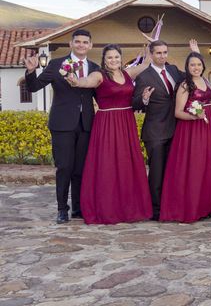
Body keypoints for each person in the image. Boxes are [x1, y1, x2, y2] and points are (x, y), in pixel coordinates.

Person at [66, 44, 153, 224]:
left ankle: (128, 208)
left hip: (126, 123)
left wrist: (152, 43)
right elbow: (86, 81)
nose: (114, 60)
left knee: (126, 163)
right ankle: (107, 208)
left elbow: (146, 63)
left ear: (121, 58)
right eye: (109, 58)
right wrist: (76, 81)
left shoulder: (128, 73)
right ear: (104, 60)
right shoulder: (99, 75)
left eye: (116, 57)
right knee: (107, 165)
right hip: (107, 124)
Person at [24, 29, 100, 224]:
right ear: (71, 44)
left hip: (86, 124)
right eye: (78, 42)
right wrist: (31, 72)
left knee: (80, 169)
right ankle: (61, 209)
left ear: (90, 45)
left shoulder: (94, 68)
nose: (81, 45)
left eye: (85, 42)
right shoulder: (56, 64)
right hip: (62, 124)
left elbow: (102, 95)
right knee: (64, 167)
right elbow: (34, 87)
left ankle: (78, 208)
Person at [159, 52, 211, 223]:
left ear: (203, 66)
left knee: (207, 165)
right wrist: (195, 116)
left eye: (199, 64)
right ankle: (188, 207)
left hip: (208, 128)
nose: (196, 67)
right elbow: (178, 112)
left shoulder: (206, 81)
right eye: (192, 65)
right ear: (187, 67)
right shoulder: (186, 85)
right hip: (191, 130)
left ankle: (204, 206)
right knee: (193, 165)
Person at [132, 40, 190, 221]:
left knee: (174, 171)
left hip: (177, 129)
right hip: (156, 131)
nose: (162, 56)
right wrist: (144, 99)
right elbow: (135, 104)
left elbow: (192, 77)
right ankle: (155, 210)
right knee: (157, 172)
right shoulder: (144, 76)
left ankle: (171, 205)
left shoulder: (173, 70)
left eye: (165, 52)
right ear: (151, 54)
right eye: (158, 53)